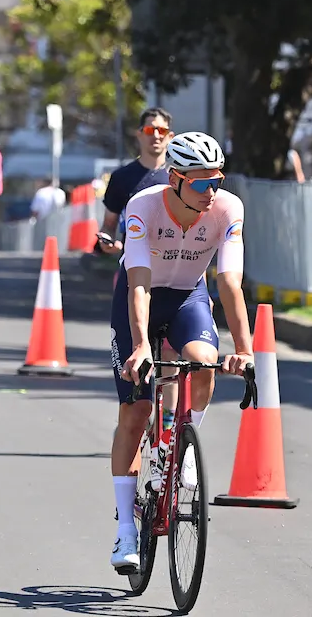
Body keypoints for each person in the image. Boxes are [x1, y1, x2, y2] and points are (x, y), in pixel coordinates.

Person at [107, 131, 254, 573]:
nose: (211, 192)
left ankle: (182, 446)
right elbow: (138, 283)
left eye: (218, 181)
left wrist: (244, 351)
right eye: (200, 183)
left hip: (188, 296)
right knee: (135, 414)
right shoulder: (143, 206)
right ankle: (126, 533)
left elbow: (229, 284)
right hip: (141, 297)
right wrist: (138, 347)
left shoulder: (228, 209)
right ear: (174, 179)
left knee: (204, 364)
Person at [95, 108, 174, 258]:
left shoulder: (179, 177)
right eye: (150, 130)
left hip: (172, 265)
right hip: (133, 264)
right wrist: (108, 242)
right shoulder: (121, 177)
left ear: (170, 136)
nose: (156, 135)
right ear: (140, 134)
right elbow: (108, 225)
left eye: (161, 130)